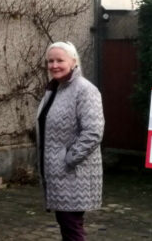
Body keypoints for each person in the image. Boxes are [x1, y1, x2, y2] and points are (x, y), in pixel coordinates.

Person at [36, 41, 104, 241]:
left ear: (74, 62)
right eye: (50, 61)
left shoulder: (84, 90)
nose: (54, 65)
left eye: (60, 60)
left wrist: (69, 158)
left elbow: (93, 132)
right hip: (57, 174)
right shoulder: (54, 88)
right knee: (67, 227)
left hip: (74, 174)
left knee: (71, 228)